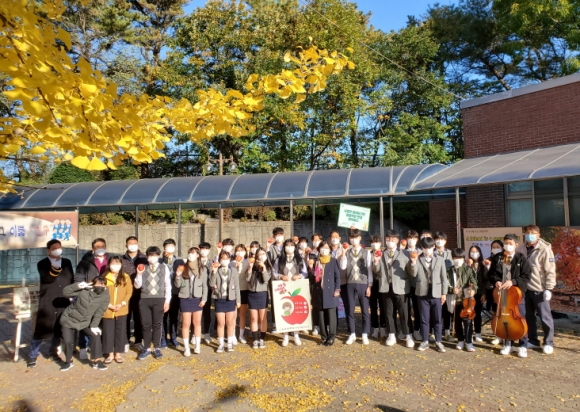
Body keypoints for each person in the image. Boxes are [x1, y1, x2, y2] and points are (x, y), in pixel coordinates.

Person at [27, 240, 74, 368]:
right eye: (54, 248)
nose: (57, 250)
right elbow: (48, 278)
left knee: (59, 327)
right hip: (48, 300)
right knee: (41, 329)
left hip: (63, 300)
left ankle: (53, 351)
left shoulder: (67, 262)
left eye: (59, 247)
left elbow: (71, 279)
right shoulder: (42, 263)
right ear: (48, 250)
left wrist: (73, 294)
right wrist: (55, 268)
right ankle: (32, 355)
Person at [488, 234, 531, 358]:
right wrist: (496, 281)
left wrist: (513, 281)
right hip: (502, 294)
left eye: (510, 244)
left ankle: (523, 346)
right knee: (505, 319)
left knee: (520, 319)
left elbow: (526, 276)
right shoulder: (498, 258)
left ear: (516, 245)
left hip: (516, 294)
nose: (507, 246)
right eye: (505, 243)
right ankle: (508, 344)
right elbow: (491, 274)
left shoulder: (521, 258)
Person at [372, 230, 414, 348]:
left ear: (397, 240)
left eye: (393, 239)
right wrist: (376, 262)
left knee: (404, 312)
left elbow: (411, 272)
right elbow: (377, 272)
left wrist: (413, 264)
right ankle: (391, 334)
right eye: (388, 239)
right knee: (389, 312)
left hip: (401, 287)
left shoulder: (405, 253)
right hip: (386, 286)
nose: (390, 241)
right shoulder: (381, 253)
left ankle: (408, 335)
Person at [59, 276, 110, 371]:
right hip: (69, 319)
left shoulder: (105, 295)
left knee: (95, 335)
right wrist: (78, 286)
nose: (101, 287)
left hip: (85, 321)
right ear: (93, 285)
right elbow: (66, 292)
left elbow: (100, 311)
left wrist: (94, 326)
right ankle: (69, 361)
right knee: (68, 341)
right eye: (98, 284)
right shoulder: (84, 290)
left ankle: (97, 361)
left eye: (103, 285)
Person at [407, 236, 448, 353]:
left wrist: (444, 293)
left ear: (433, 247)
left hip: (436, 292)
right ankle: (425, 340)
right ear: (422, 248)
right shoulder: (418, 258)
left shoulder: (440, 259)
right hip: (422, 292)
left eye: (430, 248)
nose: (427, 250)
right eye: (425, 248)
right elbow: (413, 274)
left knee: (437, 318)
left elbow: (444, 278)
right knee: (424, 318)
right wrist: (413, 263)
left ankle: (438, 341)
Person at [521, 225, 556, 355]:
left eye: (533, 233)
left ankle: (548, 342)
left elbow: (550, 270)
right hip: (525, 289)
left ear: (538, 235)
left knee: (545, 317)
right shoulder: (521, 248)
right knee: (528, 317)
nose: (530, 235)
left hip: (540, 289)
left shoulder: (545, 249)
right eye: (528, 232)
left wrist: (549, 288)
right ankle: (533, 340)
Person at [134, 246, 172, 360]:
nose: (152, 257)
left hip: (159, 299)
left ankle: (156, 347)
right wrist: (139, 274)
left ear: (158, 256)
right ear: (147, 256)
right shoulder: (143, 267)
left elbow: (167, 285)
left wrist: (167, 301)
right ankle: (146, 347)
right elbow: (137, 285)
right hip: (145, 299)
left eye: (155, 255)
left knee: (157, 324)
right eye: (150, 255)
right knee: (146, 324)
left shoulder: (164, 267)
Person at [75, 238, 109, 359]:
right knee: (86, 322)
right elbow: (78, 279)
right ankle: (83, 347)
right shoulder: (85, 262)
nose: (100, 249)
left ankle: (100, 348)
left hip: (104, 296)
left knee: (101, 322)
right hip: (89, 296)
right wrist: (88, 285)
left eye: (102, 246)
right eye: (97, 247)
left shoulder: (110, 260)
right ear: (92, 249)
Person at [340, 229, 372, 345]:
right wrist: (343, 253)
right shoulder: (347, 252)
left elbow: (369, 270)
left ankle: (365, 334)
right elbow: (343, 267)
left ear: (360, 238)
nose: (354, 240)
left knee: (365, 310)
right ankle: (352, 334)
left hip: (363, 283)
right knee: (350, 309)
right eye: (352, 238)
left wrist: (369, 285)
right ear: (349, 239)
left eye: (356, 238)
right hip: (350, 283)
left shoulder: (366, 252)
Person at [273, 239, 308, 346]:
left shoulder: (299, 259)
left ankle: (296, 335)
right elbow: (274, 273)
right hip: (283, 288)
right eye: (287, 245)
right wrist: (280, 276)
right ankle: (285, 336)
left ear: (294, 247)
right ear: (284, 247)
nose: (289, 247)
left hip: (295, 287)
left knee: (295, 310)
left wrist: (299, 276)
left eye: (291, 245)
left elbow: (305, 272)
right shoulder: (279, 259)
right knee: (285, 309)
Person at [175, 247, 208, 355]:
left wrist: (204, 299)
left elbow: (205, 286)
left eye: (193, 253)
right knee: (186, 323)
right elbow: (178, 285)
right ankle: (186, 348)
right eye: (189, 253)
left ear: (198, 255)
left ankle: (197, 346)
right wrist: (178, 276)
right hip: (185, 298)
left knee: (197, 323)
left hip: (197, 298)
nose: (190, 255)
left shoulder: (202, 269)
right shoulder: (183, 267)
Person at [308, 241, 341, 346]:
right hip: (318, 291)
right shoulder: (316, 261)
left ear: (330, 249)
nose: (324, 249)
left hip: (331, 291)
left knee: (331, 315)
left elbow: (337, 276)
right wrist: (310, 268)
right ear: (319, 249)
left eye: (326, 248)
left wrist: (337, 289)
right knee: (321, 315)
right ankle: (323, 336)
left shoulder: (333, 261)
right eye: (322, 247)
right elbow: (312, 279)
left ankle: (331, 337)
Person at [102, 256, 133, 364]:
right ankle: (110, 354)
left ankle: (118, 353)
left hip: (121, 309)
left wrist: (122, 303)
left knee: (120, 331)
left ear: (121, 265)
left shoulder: (126, 277)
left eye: (117, 263)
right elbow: (101, 293)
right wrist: (109, 305)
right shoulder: (104, 277)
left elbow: (129, 291)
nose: (115, 265)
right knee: (108, 332)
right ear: (109, 264)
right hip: (107, 310)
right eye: (113, 263)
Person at [209, 250, 241, 353]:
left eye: (227, 259)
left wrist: (238, 300)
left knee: (230, 323)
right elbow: (211, 284)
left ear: (229, 259)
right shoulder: (216, 270)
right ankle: (221, 344)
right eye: (222, 259)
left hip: (230, 299)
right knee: (220, 323)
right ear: (219, 259)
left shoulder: (233, 270)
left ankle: (230, 343)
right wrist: (213, 272)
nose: (225, 260)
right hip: (219, 299)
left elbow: (237, 287)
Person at [447, 249, 478, 352]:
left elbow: (474, 282)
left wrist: (473, 290)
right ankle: (460, 340)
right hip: (455, 299)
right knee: (457, 321)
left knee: (468, 321)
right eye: (456, 258)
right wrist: (451, 290)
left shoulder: (468, 269)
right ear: (452, 258)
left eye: (460, 258)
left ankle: (469, 342)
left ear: (463, 258)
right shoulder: (448, 270)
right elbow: (445, 284)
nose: (458, 260)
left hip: (466, 300)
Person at [122, 236, 147, 351]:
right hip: (125, 293)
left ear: (138, 244)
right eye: (130, 243)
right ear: (126, 245)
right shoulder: (121, 259)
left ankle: (138, 340)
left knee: (139, 317)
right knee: (125, 318)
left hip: (140, 293)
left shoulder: (144, 258)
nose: (132, 245)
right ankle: (125, 340)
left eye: (134, 243)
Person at [247, 248, 272, 349]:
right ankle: (255, 339)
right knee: (254, 318)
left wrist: (264, 268)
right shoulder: (252, 265)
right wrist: (250, 268)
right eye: (259, 254)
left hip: (262, 294)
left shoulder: (268, 266)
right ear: (256, 256)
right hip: (252, 294)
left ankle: (262, 338)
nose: (261, 256)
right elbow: (248, 279)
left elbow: (266, 279)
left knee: (262, 318)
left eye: (263, 254)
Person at [161, 238, 183, 348]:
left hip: (175, 292)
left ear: (174, 247)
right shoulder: (160, 261)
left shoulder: (179, 260)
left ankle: (173, 337)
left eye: (171, 246)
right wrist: (165, 259)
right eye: (167, 246)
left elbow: (182, 275)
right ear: (164, 248)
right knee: (163, 317)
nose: (169, 248)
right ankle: (163, 338)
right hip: (163, 293)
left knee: (174, 316)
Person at [403, 230, 423, 342]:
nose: (411, 240)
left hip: (417, 284)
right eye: (409, 238)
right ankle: (406, 331)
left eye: (414, 238)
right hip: (404, 284)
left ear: (417, 240)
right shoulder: (402, 252)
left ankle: (417, 330)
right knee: (405, 309)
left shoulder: (421, 252)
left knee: (417, 308)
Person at [467, 245, 488, 343]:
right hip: (469, 293)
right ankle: (469, 333)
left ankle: (478, 333)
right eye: (472, 251)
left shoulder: (483, 265)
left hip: (479, 293)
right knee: (468, 313)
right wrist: (468, 266)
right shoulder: (467, 264)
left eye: (476, 251)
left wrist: (484, 293)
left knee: (477, 313)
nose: (474, 253)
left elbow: (485, 280)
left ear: (479, 253)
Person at [267, 227, 285, 333]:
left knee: (287, 299)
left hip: (286, 277)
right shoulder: (271, 247)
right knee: (275, 301)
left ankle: (286, 322)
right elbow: (269, 261)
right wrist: (267, 248)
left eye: (281, 235)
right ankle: (275, 324)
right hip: (274, 277)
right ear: (274, 236)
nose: (279, 237)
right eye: (277, 235)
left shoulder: (288, 245)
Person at [368, 235, 387, 340]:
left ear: (380, 243)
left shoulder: (384, 254)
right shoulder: (368, 254)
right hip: (372, 283)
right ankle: (375, 328)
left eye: (376, 242)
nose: (374, 244)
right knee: (373, 306)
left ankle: (383, 327)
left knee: (383, 306)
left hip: (382, 282)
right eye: (372, 242)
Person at [486, 240, 504, 345]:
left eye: (498, 247)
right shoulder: (489, 259)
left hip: (506, 289)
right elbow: (488, 275)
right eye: (493, 247)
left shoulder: (506, 258)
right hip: (493, 290)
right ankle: (498, 334)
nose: (495, 249)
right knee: (495, 312)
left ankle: (507, 334)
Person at [233, 244, 251, 344]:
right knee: (233, 314)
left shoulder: (248, 261)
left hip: (244, 289)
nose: (239, 252)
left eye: (242, 250)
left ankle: (241, 334)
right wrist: (237, 265)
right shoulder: (231, 262)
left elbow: (249, 275)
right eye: (238, 250)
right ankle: (232, 335)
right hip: (233, 290)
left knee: (242, 314)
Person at [199, 242, 214, 345]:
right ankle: (195, 334)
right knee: (196, 312)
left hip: (207, 290)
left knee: (207, 312)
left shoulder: (211, 263)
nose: (204, 251)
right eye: (202, 248)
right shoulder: (195, 261)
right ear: (199, 249)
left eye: (206, 249)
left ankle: (207, 333)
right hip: (196, 290)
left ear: (209, 250)